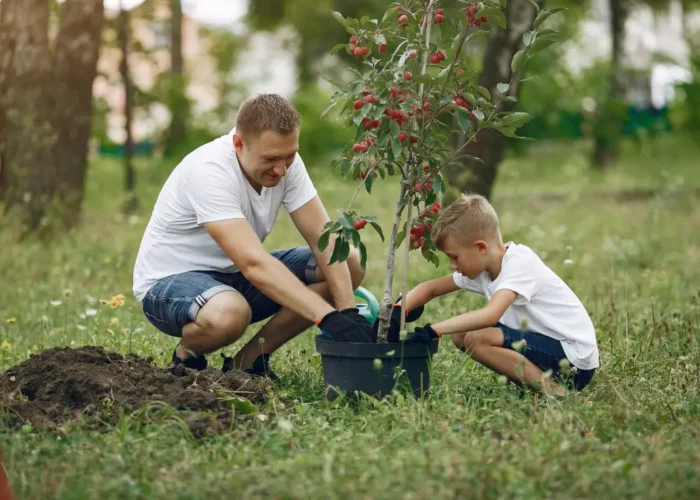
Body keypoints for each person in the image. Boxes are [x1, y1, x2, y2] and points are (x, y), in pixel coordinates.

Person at [132, 94, 374, 380]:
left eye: (289, 156)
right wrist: (328, 317)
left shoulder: (285, 162)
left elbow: (325, 239)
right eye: (270, 159)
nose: (282, 170)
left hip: (235, 278)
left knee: (349, 262)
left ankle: (248, 362)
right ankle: (187, 355)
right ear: (239, 144)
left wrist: (347, 313)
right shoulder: (209, 171)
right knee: (230, 314)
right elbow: (253, 264)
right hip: (170, 284)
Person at [396, 194, 599, 395]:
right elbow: (430, 288)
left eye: (455, 257)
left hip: (574, 362)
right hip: (546, 347)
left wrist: (433, 330)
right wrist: (398, 309)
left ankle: (557, 394)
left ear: (481, 247)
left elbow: (489, 315)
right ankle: (534, 387)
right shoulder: (485, 266)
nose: (452, 266)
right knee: (462, 336)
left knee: (477, 339)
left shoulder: (519, 264)